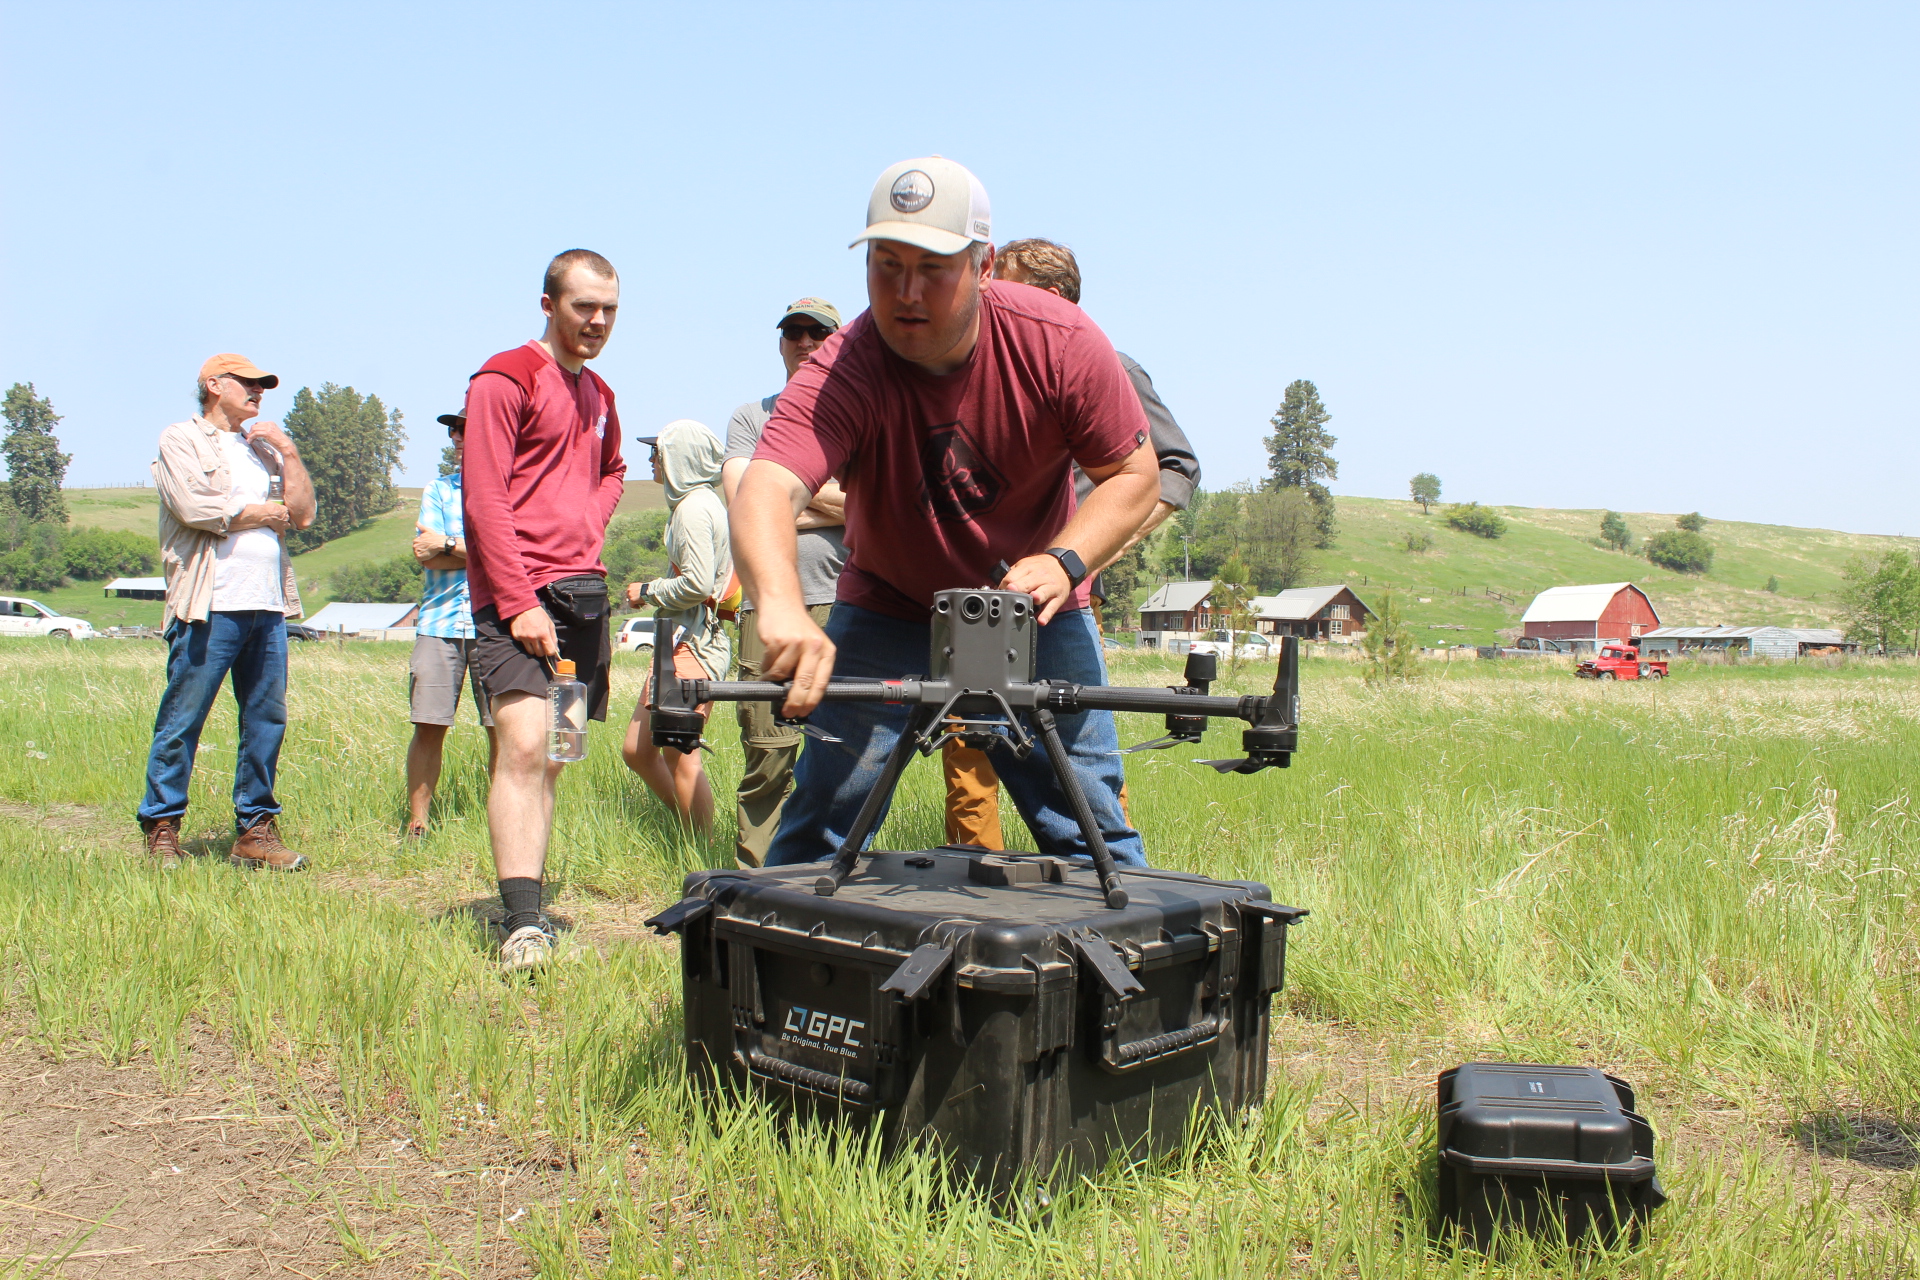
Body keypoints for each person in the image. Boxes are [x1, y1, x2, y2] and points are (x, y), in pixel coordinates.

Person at [732, 156, 1162, 868]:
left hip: (1037, 611)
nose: (906, 291)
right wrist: (779, 606)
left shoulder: (1058, 341)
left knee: (1090, 828)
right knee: (818, 826)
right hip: (888, 607)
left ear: (985, 265)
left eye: (933, 266)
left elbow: (1133, 474)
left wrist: (1063, 560)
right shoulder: (844, 367)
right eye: (886, 263)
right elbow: (767, 485)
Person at [942, 237, 1204, 848]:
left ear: (1054, 299)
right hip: (981, 596)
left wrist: (1087, 554)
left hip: (1062, 601)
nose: (990, 303)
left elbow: (1175, 470)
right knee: (968, 755)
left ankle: (1106, 894)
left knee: (1079, 768)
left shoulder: (1106, 364)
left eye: (1005, 288)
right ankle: (979, 892)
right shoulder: (981, 369)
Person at [463, 250, 626, 973]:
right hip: (519, 606)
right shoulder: (505, 378)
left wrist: (590, 525)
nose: (596, 322)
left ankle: (527, 892)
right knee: (524, 746)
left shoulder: (601, 395)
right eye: (583, 306)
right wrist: (518, 599)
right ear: (547, 304)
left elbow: (615, 469)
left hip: (583, 603)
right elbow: (484, 497)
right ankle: (523, 922)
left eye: (609, 310)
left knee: (556, 757)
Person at [138, 354, 317, 869]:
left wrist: (288, 451)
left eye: (263, 385)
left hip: (267, 604)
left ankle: (254, 833)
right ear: (214, 385)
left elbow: (302, 514)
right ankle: (163, 827)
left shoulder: (261, 451)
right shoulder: (181, 439)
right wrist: (263, 513)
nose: (259, 391)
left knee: (266, 720)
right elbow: (194, 508)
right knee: (183, 718)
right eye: (249, 383)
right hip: (208, 603)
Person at [718, 297, 847, 867]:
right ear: (779, 342)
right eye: (793, 331)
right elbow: (743, 503)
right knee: (768, 752)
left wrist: (780, 495)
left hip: (847, 606)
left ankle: (827, 877)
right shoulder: (751, 418)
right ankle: (761, 880)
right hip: (768, 607)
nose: (804, 342)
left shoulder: (857, 416)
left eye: (817, 332)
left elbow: (875, 508)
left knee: (846, 753)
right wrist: (830, 501)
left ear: (837, 342)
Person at [622, 420, 733, 836]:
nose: (652, 460)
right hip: (680, 645)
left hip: (693, 648)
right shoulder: (696, 504)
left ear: (680, 458)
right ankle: (689, 831)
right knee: (637, 750)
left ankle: (699, 847)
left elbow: (698, 584)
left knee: (680, 755)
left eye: (658, 452)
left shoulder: (691, 509)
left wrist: (647, 590)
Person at [403, 407, 495, 839]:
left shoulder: (508, 491)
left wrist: (451, 544)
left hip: (496, 625)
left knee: (504, 728)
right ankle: (418, 822)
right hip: (439, 623)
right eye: (455, 431)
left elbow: (509, 552)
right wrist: (475, 549)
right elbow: (426, 552)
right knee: (428, 724)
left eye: (466, 429)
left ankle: (504, 823)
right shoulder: (438, 489)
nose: (458, 437)